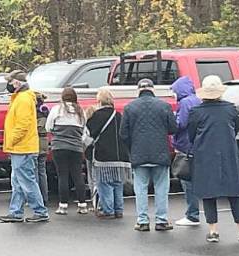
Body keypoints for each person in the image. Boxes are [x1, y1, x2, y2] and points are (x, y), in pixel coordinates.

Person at [188, 76, 239, 242]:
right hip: (228, 154)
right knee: (235, 192)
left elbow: (191, 135)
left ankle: (213, 231)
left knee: (208, 193)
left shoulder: (196, 112)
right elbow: (236, 129)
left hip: (205, 155)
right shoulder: (230, 109)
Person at [120, 78, 176, 232]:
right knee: (161, 188)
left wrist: (132, 146)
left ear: (138, 90)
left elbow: (123, 134)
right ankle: (161, 220)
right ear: (153, 89)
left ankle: (142, 221)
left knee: (141, 188)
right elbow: (173, 128)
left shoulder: (130, 108)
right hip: (160, 153)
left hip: (139, 153)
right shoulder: (164, 106)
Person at [0, 70, 49, 223]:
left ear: (17, 83)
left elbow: (22, 125)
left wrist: (11, 141)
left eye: (10, 82)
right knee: (18, 181)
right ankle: (16, 211)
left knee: (26, 181)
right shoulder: (21, 98)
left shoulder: (23, 100)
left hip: (23, 147)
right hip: (21, 147)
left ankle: (40, 211)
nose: (8, 85)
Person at [87, 88, 130, 219]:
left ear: (99, 101)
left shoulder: (96, 117)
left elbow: (89, 136)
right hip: (120, 156)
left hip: (103, 157)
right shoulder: (119, 116)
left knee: (104, 183)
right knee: (118, 182)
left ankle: (108, 210)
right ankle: (119, 209)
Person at [46, 88, 88, 215]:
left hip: (59, 146)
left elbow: (48, 127)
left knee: (62, 175)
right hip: (76, 147)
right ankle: (82, 205)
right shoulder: (81, 112)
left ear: (63, 97)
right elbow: (85, 131)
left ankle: (63, 205)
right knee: (77, 175)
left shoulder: (57, 109)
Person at [170, 76, 203, 227]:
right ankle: (199, 213)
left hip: (185, 146)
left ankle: (192, 214)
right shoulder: (197, 100)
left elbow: (180, 123)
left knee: (186, 179)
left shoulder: (184, 103)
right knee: (198, 180)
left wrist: (171, 121)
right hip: (197, 145)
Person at [34, 92, 50, 204]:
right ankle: (44, 197)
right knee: (42, 171)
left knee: (35, 171)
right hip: (44, 142)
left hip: (36, 142)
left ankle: (38, 198)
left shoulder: (36, 114)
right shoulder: (45, 112)